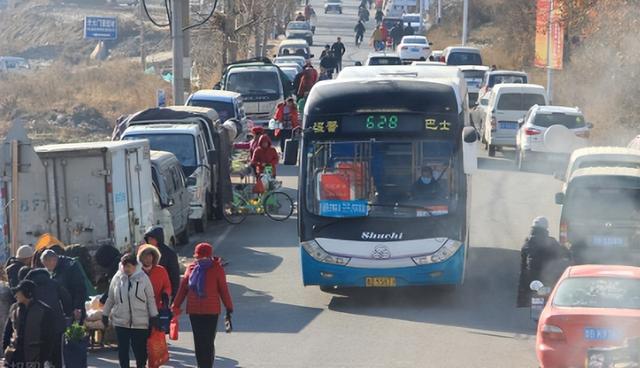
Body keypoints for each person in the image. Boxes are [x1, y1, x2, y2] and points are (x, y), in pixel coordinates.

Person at [172, 243, 233, 368]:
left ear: (209, 256)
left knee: (208, 342)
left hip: (211, 311)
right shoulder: (191, 268)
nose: (201, 259)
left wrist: (229, 307)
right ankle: (201, 365)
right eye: (199, 257)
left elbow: (223, 290)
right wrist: (175, 306)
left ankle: (207, 365)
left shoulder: (217, 269)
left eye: (203, 257)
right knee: (199, 342)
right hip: (194, 311)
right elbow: (183, 289)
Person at [102, 253, 159, 368]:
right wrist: (105, 314)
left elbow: (150, 299)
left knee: (140, 352)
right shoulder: (117, 278)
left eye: (129, 266)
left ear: (135, 266)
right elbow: (111, 298)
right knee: (123, 351)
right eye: (124, 266)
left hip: (140, 323)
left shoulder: (143, 278)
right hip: (121, 322)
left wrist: (154, 316)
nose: (126, 269)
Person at [516, 216, 571, 307]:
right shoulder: (551, 242)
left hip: (530, 283)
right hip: (546, 280)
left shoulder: (526, 244)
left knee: (534, 301)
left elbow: (522, 269)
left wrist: (521, 296)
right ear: (546, 228)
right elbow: (564, 254)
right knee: (548, 301)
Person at [25, 268, 72, 368]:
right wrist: (68, 314)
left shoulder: (29, 287)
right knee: (57, 355)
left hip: (37, 326)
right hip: (56, 325)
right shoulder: (55, 284)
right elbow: (67, 299)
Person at [3, 280, 55, 367]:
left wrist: (45, 357)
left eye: (19, 292)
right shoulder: (14, 308)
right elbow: (7, 330)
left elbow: (49, 337)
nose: (16, 295)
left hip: (35, 358)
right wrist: (6, 349)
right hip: (14, 357)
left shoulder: (44, 311)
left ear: (27, 293)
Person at [41, 249, 87, 323]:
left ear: (52, 260)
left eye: (46, 265)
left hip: (75, 307)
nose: (47, 268)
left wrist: (77, 307)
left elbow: (79, 288)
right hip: (66, 309)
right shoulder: (57, 268)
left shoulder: (69, 267)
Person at [144, 226, 180, 303]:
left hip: (163, 295)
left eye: (152, 239)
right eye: (148, 239)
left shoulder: (169, 254)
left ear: (158, 239)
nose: (150, 241)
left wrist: (173, 295)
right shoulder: (144, 253)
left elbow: (175, 276)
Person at [137, 244, 171, 312]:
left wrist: (165, 295)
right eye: (145, 257)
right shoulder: (136, 272)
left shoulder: (161, 270)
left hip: (157, 308)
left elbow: (167, 286)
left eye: (150, 256)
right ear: (140, 258)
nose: (148, 259)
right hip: (139, 310)